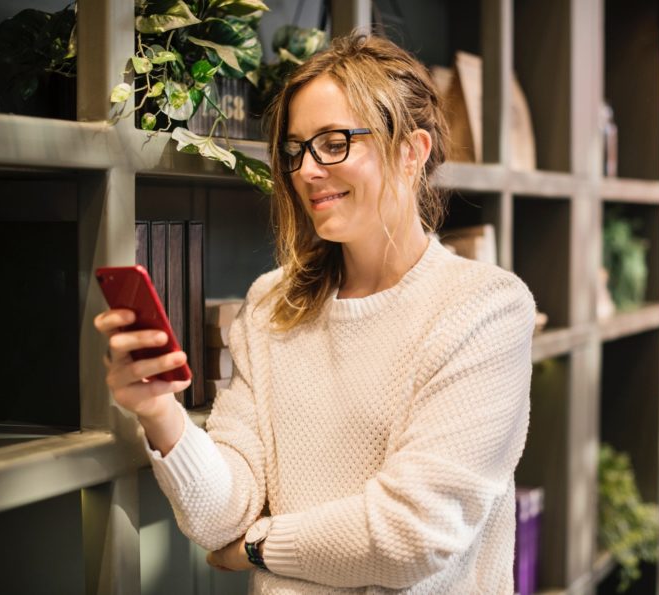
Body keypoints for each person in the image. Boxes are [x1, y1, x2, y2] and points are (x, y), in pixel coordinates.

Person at [94, 33, 536, 593]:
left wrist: (257, 547)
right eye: (297, 149)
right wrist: (159, 412)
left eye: (333, 142)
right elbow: (220, 514)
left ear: (412, 151)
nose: (306, 170)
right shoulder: (271, 305)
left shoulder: (485, 309)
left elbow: (410, 536)